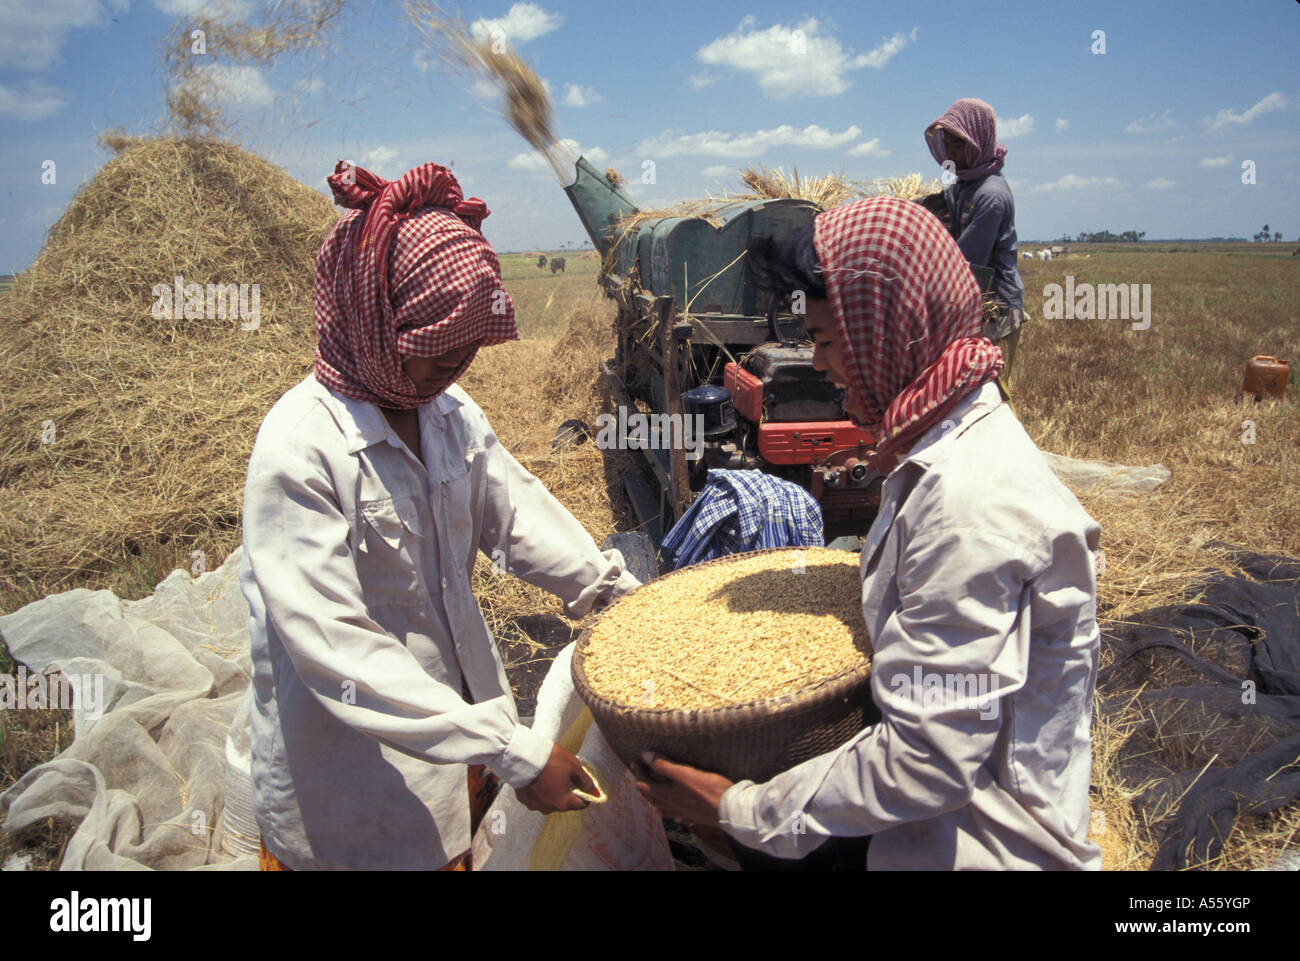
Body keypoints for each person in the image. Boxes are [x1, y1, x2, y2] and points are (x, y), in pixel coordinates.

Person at [635, 199, 1103, 870]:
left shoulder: (963, 501)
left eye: (827, 339)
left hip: (976, 843)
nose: (819, 362)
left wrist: (737, 808)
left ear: (886, 331)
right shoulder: (943, 433)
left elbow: (927, 760)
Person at [239, 160, 641, 870]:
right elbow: (336, 652)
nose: (452, 363)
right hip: (350, 784)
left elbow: (514, 513)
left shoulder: (448, 413)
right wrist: (513, 749)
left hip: (457, 754)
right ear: (373, 317)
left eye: (464, 346)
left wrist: (616, 598)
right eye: (434, 345)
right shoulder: (299, 448)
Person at [924, 97, 1026, 376]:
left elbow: (966, 262)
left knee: (990, 389)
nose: (950, 152)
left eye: (959, 144)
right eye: (947, 142)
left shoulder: (991, 196)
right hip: (972, 302)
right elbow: (939, 206)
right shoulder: (965, 183)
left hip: (995, 308)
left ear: (979, 141)